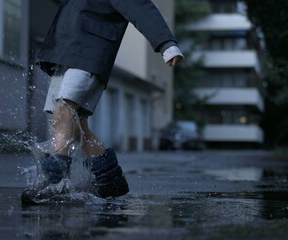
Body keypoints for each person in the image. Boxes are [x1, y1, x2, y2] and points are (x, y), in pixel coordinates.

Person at [22, 0, 184, 203]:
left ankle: (54, 181)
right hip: (64, 53)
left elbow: (141, 7)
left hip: (90, 52)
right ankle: (110, 179)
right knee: (77, 122)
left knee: (65, 109)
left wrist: (166, 44)